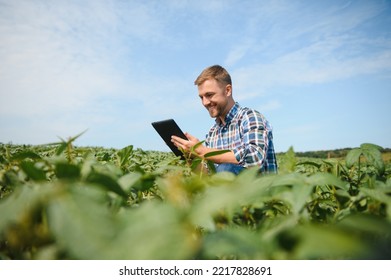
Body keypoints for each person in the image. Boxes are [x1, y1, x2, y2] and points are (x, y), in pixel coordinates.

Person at [171, 65, 277, 175]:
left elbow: (255, 157)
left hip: (260, 190)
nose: (205, 102)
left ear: (227, 90)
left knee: (225, 170)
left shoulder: (250, 117)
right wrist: (192, 156)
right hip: (226, 190)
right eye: (201, 97)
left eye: (209, 95)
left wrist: (203, 151)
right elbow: (208, 177)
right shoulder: (213, 133)